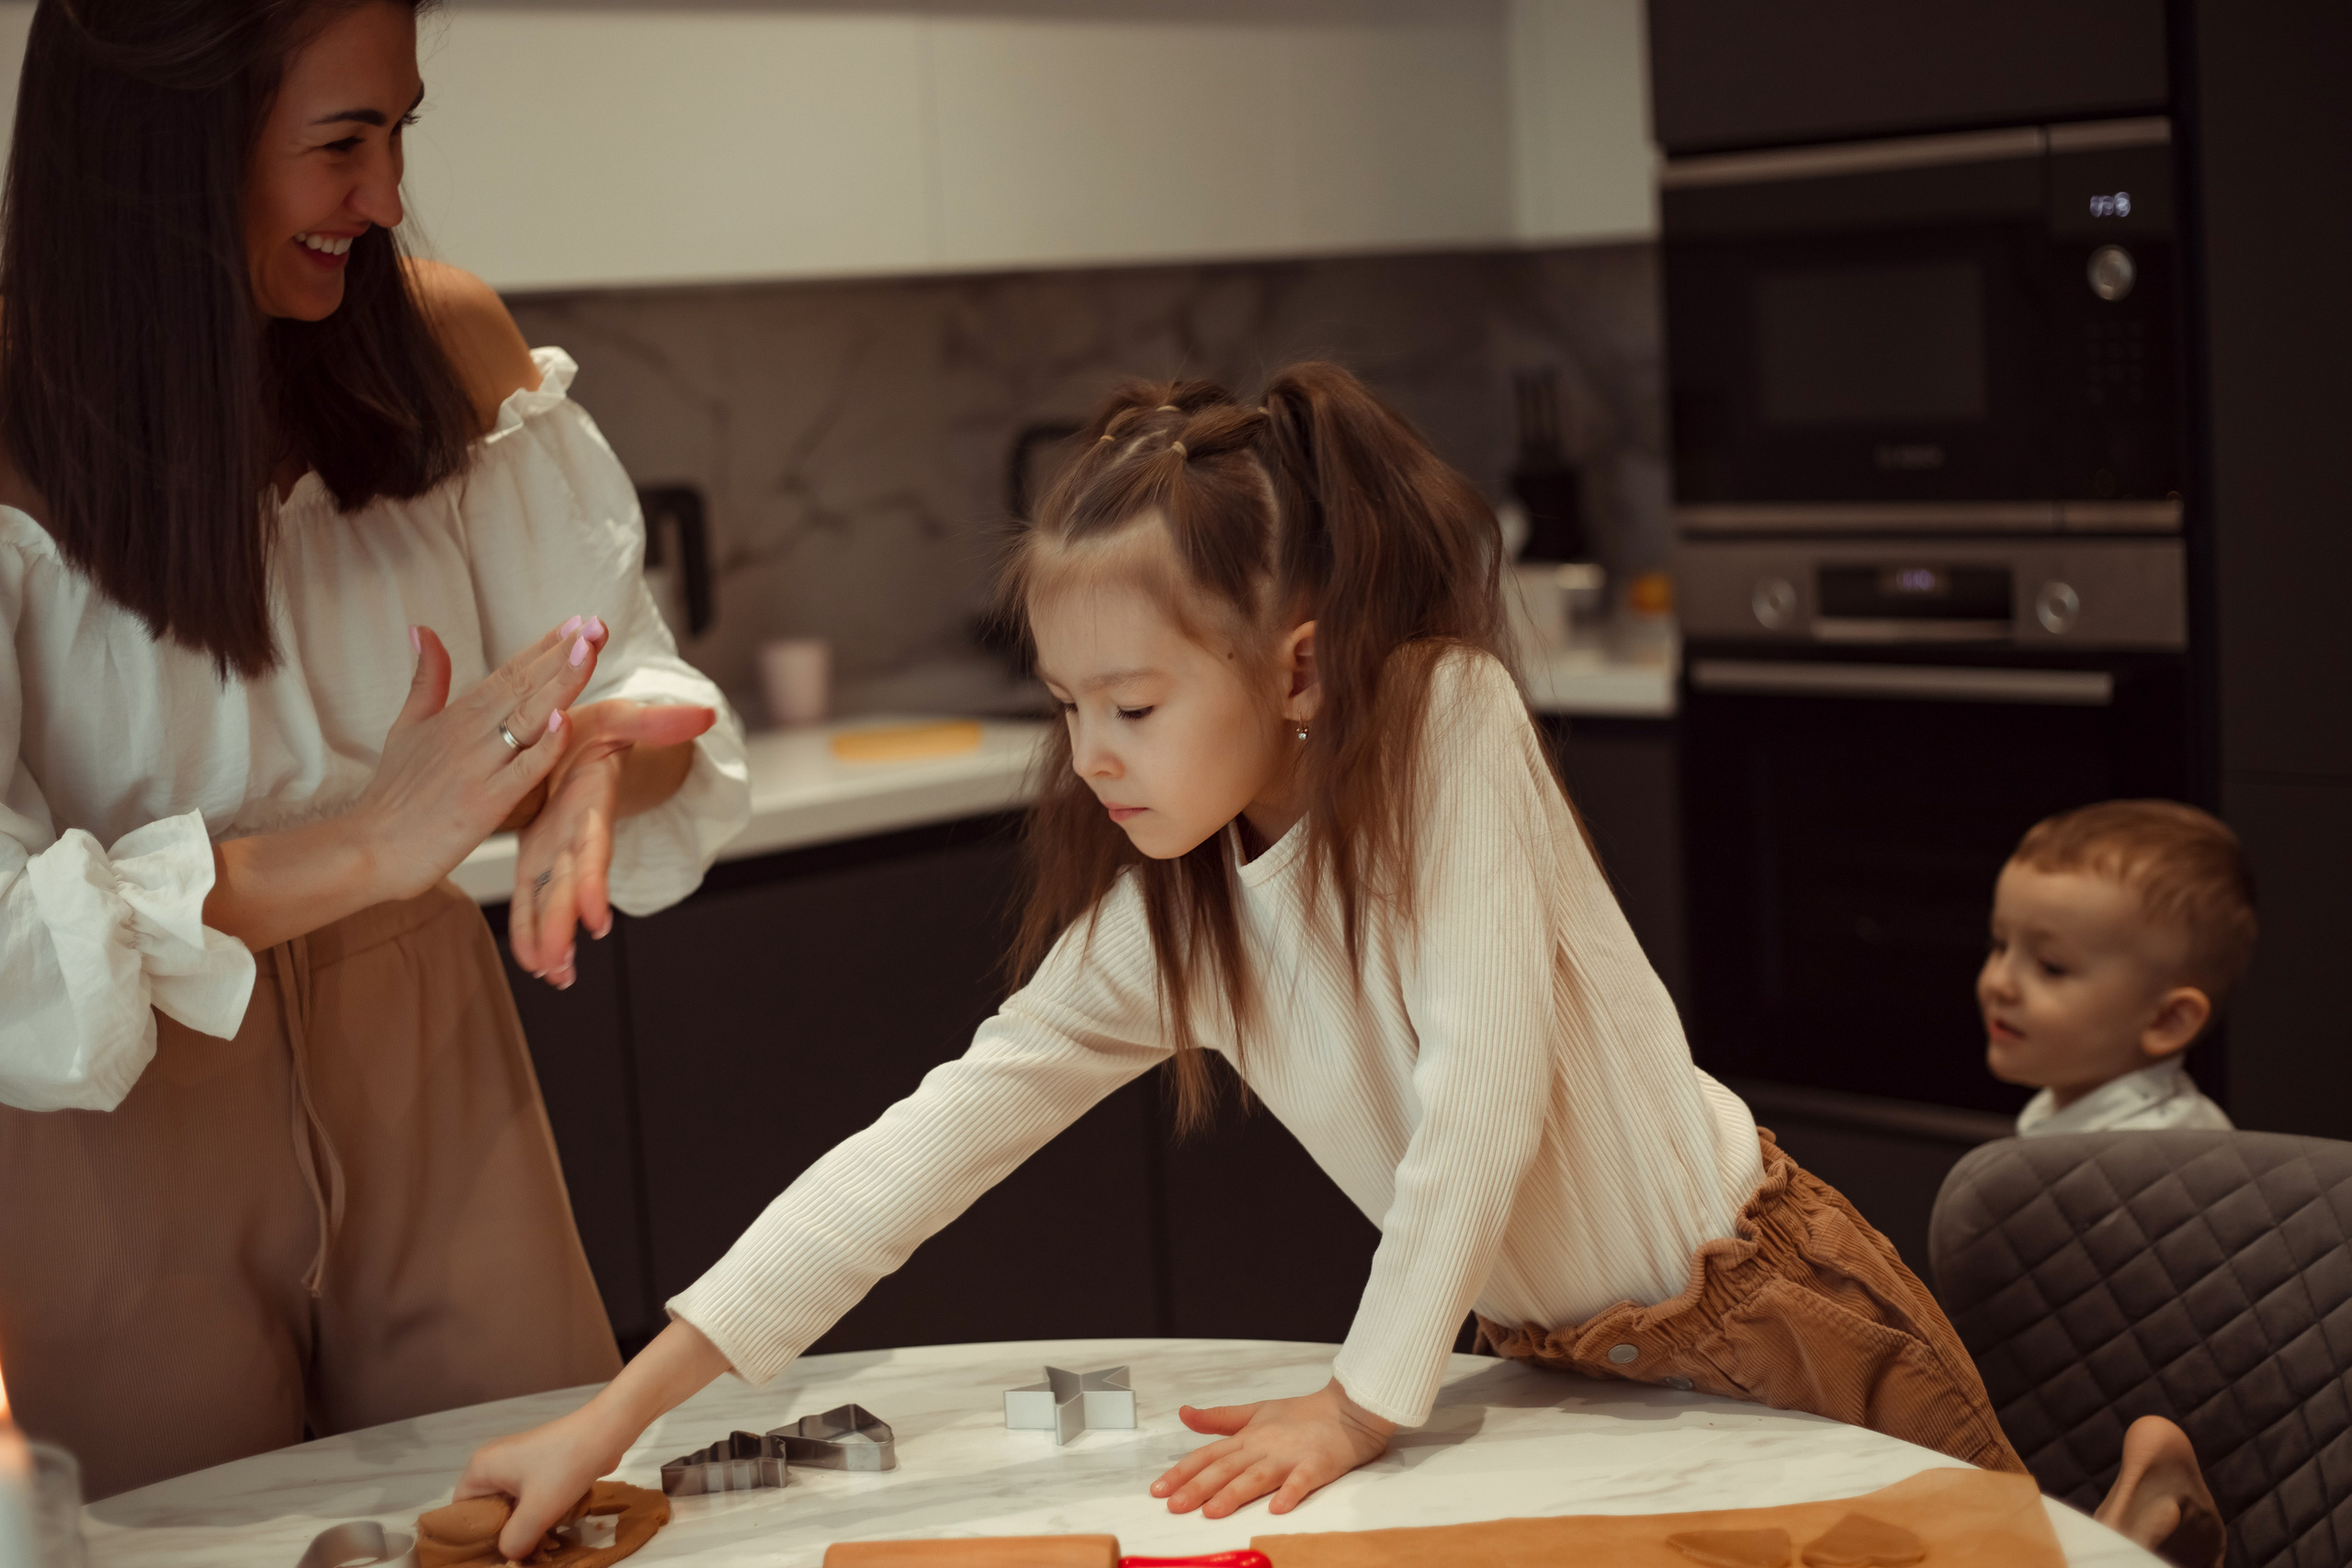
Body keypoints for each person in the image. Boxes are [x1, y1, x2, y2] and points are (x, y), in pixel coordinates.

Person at [458, 363, 2022, 1557]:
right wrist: (613, 1417)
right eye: (1067, 707)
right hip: (1556, 1363)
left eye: (1134, 706)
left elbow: (1485, 1095)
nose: (1092, 754)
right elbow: (913, 1157)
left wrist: (1360, 1398)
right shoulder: (1169, 925)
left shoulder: (1447, 719)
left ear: (1301, 665)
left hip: (1763, 1309)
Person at [0, 0, 747, 1497]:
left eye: (401, 131)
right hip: (112, 1105)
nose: (390, 198)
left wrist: (594, 761)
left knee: (534, 1513)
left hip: (432, 1054)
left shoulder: (442, 347)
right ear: (171, 144)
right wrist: (365, 843)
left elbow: (642, 682)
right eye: (343, 142)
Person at [1979, 800, 2251, 1137]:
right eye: (1999, 945)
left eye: (2052, 967)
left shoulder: (2157, 1151)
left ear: (2166, 1020)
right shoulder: (2062, 1110)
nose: (1998, 983)